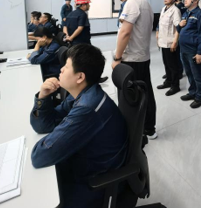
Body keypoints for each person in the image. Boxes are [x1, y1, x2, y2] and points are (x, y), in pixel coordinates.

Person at [30, 44, 128, 208]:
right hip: (83, 164)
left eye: (66, 67)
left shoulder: (88, 108)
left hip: (94, 182)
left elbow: (39, 156)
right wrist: (43, 97)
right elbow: (43, 125)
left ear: (80, 77)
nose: (61, 70)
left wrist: (55, 136)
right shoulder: (80, 95)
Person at [111, 0, 156, 139]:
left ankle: (133, 131)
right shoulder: (146, 4)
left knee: (129, 96)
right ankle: (149, 128)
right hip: (142, 57)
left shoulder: (133, 2)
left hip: (131, 59)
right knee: (145, 91)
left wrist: (117, 58)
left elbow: (125, 33)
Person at [177, 0, 201, 109]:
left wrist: (199, 52)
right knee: (189, 73)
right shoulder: (186, 13)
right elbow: (180, 30)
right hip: (183, 49)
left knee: (198, 74)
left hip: (193, 50)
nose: (185, 0)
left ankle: (200, 97)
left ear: (195, 0)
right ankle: (192, 92)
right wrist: (179, 25)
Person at [156, 0, 182, 96]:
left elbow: (178, 27)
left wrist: (175, 41)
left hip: (171, 42)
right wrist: (157, 36)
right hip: (163, 41)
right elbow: (160, 24)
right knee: (166, 63)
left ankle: (175, 86)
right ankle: (168, 81)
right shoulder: (163, 9)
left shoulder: (175, 10)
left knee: (173, 65)